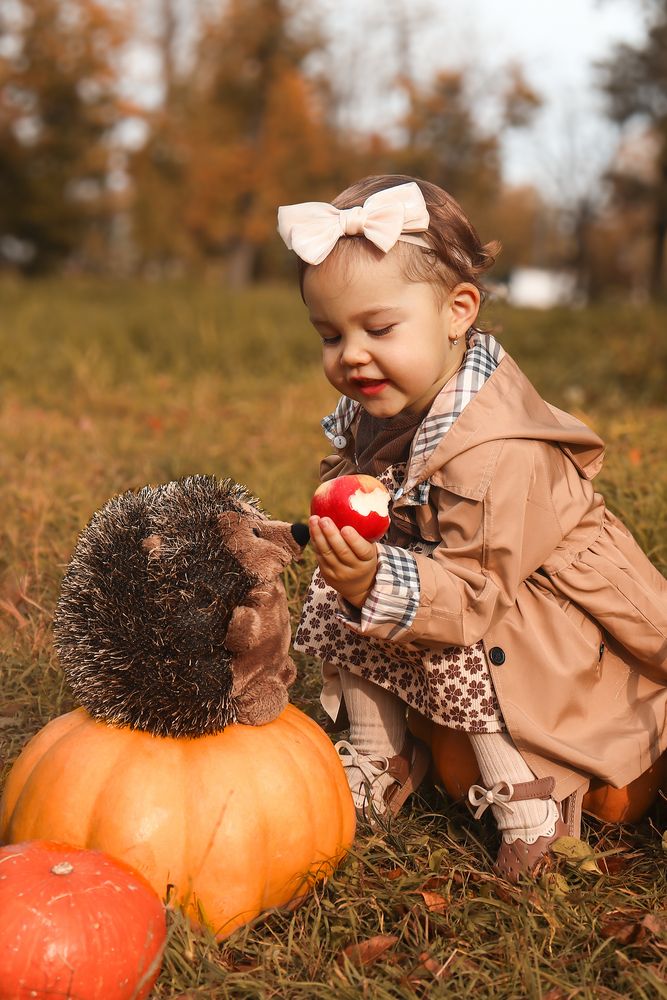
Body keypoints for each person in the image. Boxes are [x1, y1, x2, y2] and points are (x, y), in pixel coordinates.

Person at [277, 175, 667, 881]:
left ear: (457, 311)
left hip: (538, 620)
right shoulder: (389, 403)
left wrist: (379, 579)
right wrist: (338, 552)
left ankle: (529, 798)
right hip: (450, 583)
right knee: (351, 591)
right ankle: (377, 751)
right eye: (329, 336)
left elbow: (471, 593)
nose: (350, 355)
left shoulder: (497, 453)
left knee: (444, 623)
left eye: (377, 328)